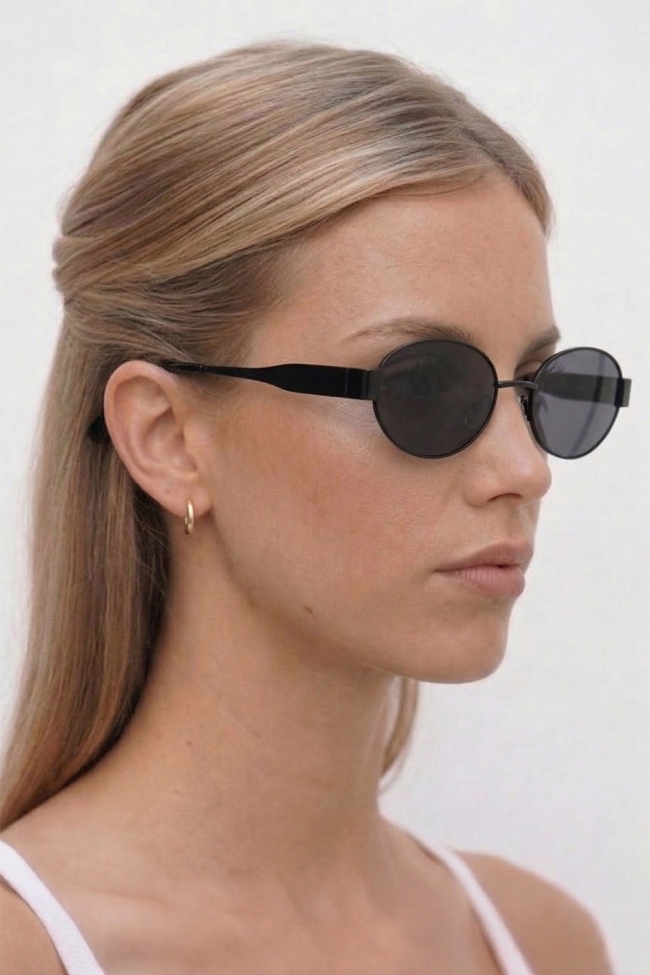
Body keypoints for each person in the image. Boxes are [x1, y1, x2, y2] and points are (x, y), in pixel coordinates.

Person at [0, 40, 629, 974]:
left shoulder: (543, 942)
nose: (525, 468)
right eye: (424, 387)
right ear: (167, 438)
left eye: (541, 386)